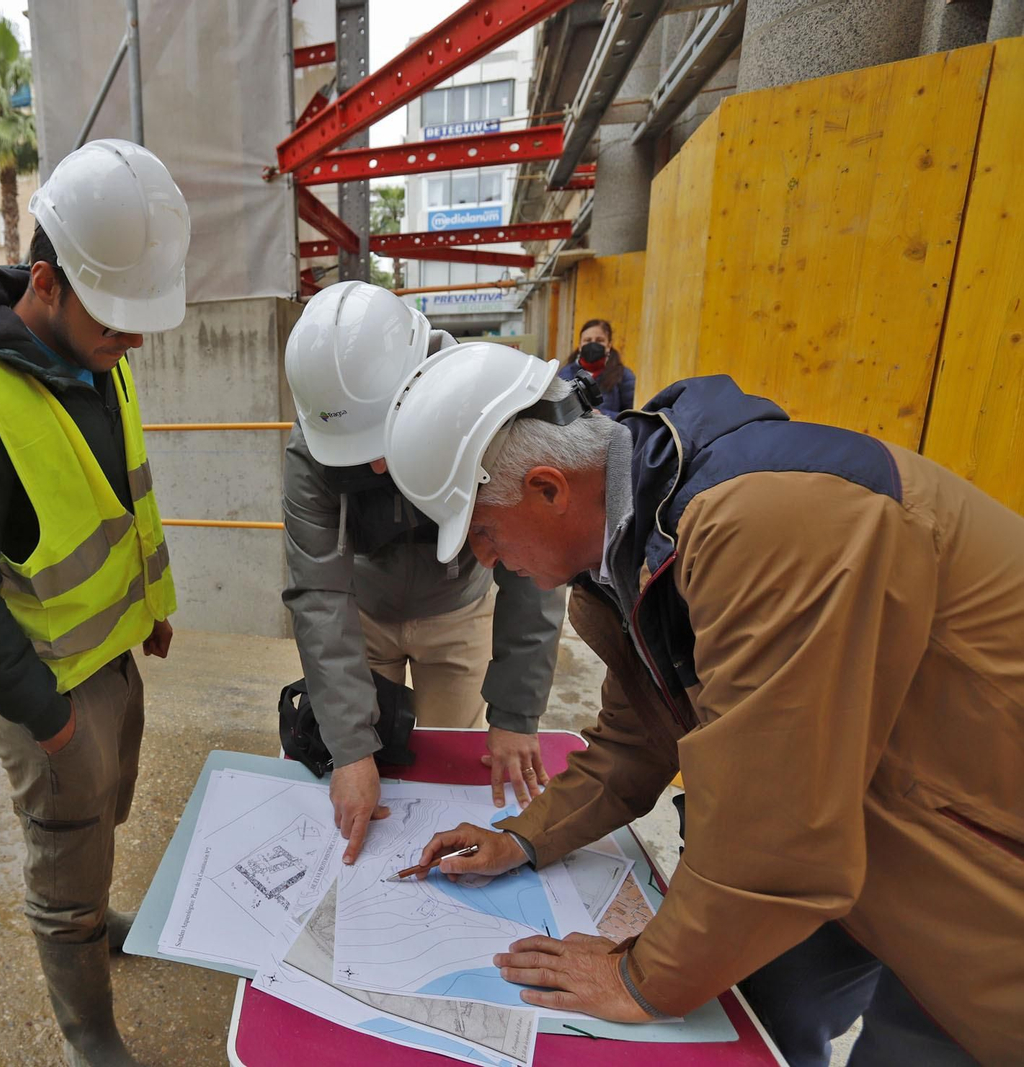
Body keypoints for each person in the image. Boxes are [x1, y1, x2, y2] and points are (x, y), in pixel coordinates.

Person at [384, 343, 1022, 1066]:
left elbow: (775, 823)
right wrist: (524, 837)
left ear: (549, 488)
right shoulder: (633, 544)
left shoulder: (765, 524)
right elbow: (638, 740)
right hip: (863, 833)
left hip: (982, 869)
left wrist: (636, 975)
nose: (490, 563)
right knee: (759, 1014)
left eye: (485, 535)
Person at [0, 139, 188, 1067]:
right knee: (64, 841)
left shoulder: (98, 355)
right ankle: (88, 1031)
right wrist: (45, 716)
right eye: (117, 314)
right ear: (48, 281)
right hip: (44, 684)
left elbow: (119, 496)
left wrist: (151, 603)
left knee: (101, 817)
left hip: (107, 650)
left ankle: (92, 914)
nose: (133, 337)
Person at [281, 282, 568, 862]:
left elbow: (534, 566)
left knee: (447, 779)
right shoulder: (312, 448)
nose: (379, 465)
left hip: (458, 613)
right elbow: (319, 593)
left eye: (387, 437)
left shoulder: (490, 409)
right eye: (359, 453)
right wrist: (349, 750)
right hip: (364, 617)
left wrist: (515, 713)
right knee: (369, 769)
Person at [557, 318, 635, 416]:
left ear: (608, 345)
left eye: (599, 340)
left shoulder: (624, 376)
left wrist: (603, 415)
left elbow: (631, 417)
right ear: (580, 345)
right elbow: (558, 411)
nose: (593, 344)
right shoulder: (565, 373)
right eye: (587, 340)